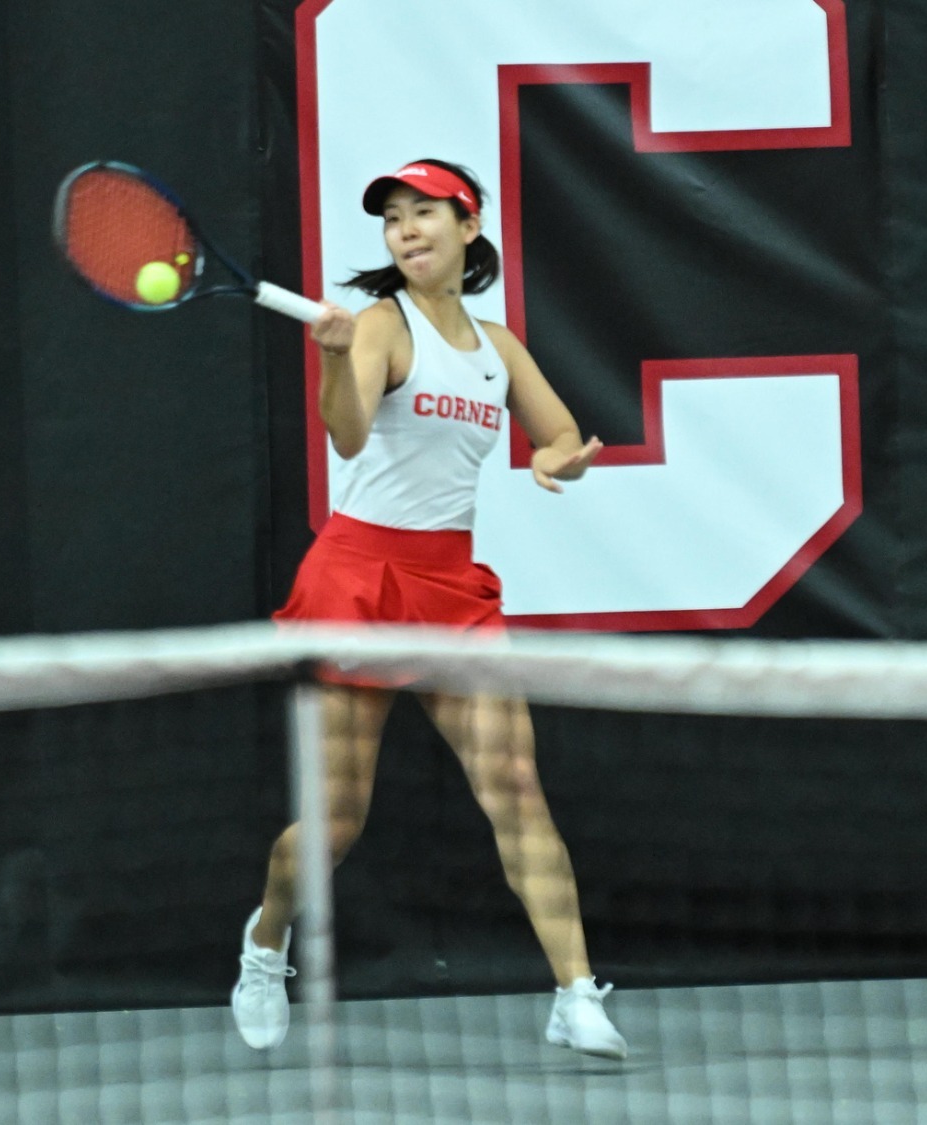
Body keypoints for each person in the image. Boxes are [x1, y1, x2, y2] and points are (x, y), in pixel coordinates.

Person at [231, 159, 623, 1059]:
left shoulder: (498, 347)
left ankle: (575, 994)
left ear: (468, 228)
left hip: (450, 586)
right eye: (393, 220)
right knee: (335, 820)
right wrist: (337, 363)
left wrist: (560, 460)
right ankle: (264, 941)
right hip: (358, 578)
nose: (406, 231)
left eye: (424, 215)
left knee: (517, 788)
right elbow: (349, 433)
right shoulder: (376, 324)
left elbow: (560, 433)